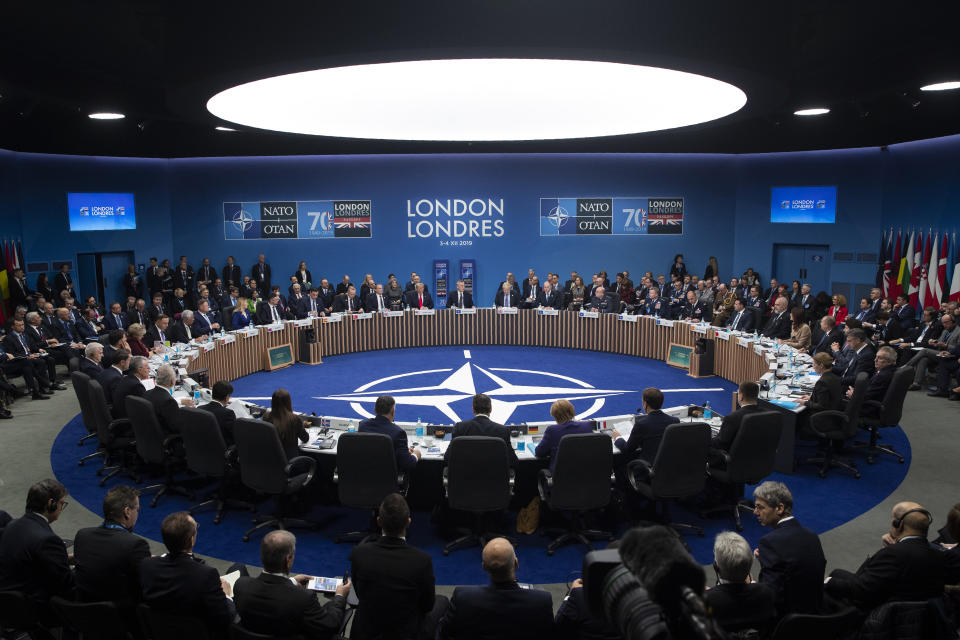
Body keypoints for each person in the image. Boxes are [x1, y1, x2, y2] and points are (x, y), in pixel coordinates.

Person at [349, 493, 447, 640]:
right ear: (408, 522)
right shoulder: (422, 560)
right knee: (442, 601)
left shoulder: (359, 553)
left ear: (379, 521)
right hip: (405, 633)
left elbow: (359, 593)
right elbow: (427, 606)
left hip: (366, 630)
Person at [825, 502, 946, 610]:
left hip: (878, 615)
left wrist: (825, 580)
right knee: (838, 573)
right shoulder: (940, 555)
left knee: (820, 589)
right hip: (914, 614)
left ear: (899, 524)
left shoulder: (893, 554)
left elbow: (861, 588)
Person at [234, 530, 350, 639]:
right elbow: (330, 625)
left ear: (262, 557)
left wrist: (292, 581)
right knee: (331, 605)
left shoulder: (241, 584)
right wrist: (340, 596)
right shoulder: (303, 597)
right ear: (288, 560)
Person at [140, 511, 237, 637]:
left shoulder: (147, 565)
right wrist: (227, 596)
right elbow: (226, 616)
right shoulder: (206, 575)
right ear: (192, 540)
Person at [437, 537, 554, 639]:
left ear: (484, 567)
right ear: (516, 563)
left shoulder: (463, 598)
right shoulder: (542, 601)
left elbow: (444, 633)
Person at [73, 485, 150, 620]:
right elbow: (144, 586)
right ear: (127, 511)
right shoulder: (135, 545)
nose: (138, 513)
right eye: (137, 509)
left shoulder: (82, 536)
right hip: (121, 619)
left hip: (84, 616)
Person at [752, 481, 826, 616]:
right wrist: (767, 560)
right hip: (816, 617)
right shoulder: (812, 536)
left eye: (760, 507)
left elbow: (770, 597)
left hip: (786, 625)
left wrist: (751, 583)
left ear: (779, 508)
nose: (755, 512)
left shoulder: (769, 542)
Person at [703, 532, 776, 636]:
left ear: (716, 568)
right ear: (750, 564)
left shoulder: (707, 600)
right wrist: (753, 583)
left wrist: (710, 593)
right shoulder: (766, 593)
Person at [610, 387, 679, 465]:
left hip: (647, 468)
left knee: (618, 460)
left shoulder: (642, 424)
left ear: (645, 404)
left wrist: (618, 438)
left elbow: (627, 449)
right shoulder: (675, 421)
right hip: (667, 465)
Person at [446, 393, 517, 468]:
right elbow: (513, 461)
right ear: (490, 409)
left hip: (464, 477)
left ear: (473, 409)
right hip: (494, 478)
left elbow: (447, 458)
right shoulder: (503, 431)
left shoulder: (459, 428)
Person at [359, 395, 420, 471]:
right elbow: (407, 464)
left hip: (363, 476)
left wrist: (403, 450)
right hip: (386, 478)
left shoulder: (362, 426)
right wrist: (416, 455)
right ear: (392, 412)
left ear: (375, 410)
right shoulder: (398, 433)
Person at [710, 381, 762, 466]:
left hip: (732, 464)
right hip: (757, 462)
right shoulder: (767, 414)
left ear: (741, 396)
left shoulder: (732, 418)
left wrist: (706, 438)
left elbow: (720, 443)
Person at [534, 399, 594, 472]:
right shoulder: (587, 426)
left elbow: (539, 452)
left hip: (560, 477)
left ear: (554, 415)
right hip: (586, 474)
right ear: (572, 411)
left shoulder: (552, 431)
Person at [906, 311, 957, 390]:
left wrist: (946, 345)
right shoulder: (945, 331)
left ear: (952, 322)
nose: (944, 325)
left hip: (950, 355)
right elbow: (939, 341)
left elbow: (958, 348)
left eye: (946, 323)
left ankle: (906, 367)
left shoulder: (958, 332)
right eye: (943, 323)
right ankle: (916, 384)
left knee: (924, 351)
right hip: (940, 353)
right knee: (923, 359)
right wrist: (934, 342)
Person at [146, 364, 194, 433]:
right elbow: (177, 427)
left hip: (151, 433)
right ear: (172, 381)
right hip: (167, 436)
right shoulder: (168, 402)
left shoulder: (147, 393)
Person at [263, 388, 308, 458]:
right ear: (288, 402)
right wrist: (302, 427)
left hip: (270, 461)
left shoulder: (266, 417)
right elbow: (305, 439)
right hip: (290, 463)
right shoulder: (295, 419)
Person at [112, 356, 150, 420]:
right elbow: (147, 406)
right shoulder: (136, 386)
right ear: (139, 370)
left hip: (120, 414)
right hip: (129, 420)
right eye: (147, 367)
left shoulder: (127, 378)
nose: (149, 369)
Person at [201, 381, 237, 445]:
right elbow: (235, 435)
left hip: (204, 445)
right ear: (227, 398)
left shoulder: (200, 408)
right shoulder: (228, 414)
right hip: (224, 450)